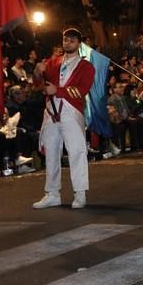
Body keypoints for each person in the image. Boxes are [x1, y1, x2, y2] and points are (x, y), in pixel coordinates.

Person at [31, 28, 95, 209]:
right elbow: (38, 85)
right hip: (51, 111)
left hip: (71, 111)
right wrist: (37, 72)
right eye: (66, 39)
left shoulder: (86, 66)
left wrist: (57, 91)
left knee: (77, 152)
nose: (68, 42)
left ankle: (80, 193)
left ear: (78, 44)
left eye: (72, 40)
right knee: (51, 153)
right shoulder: (52, 62)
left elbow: (82, 90)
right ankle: (52, 193)